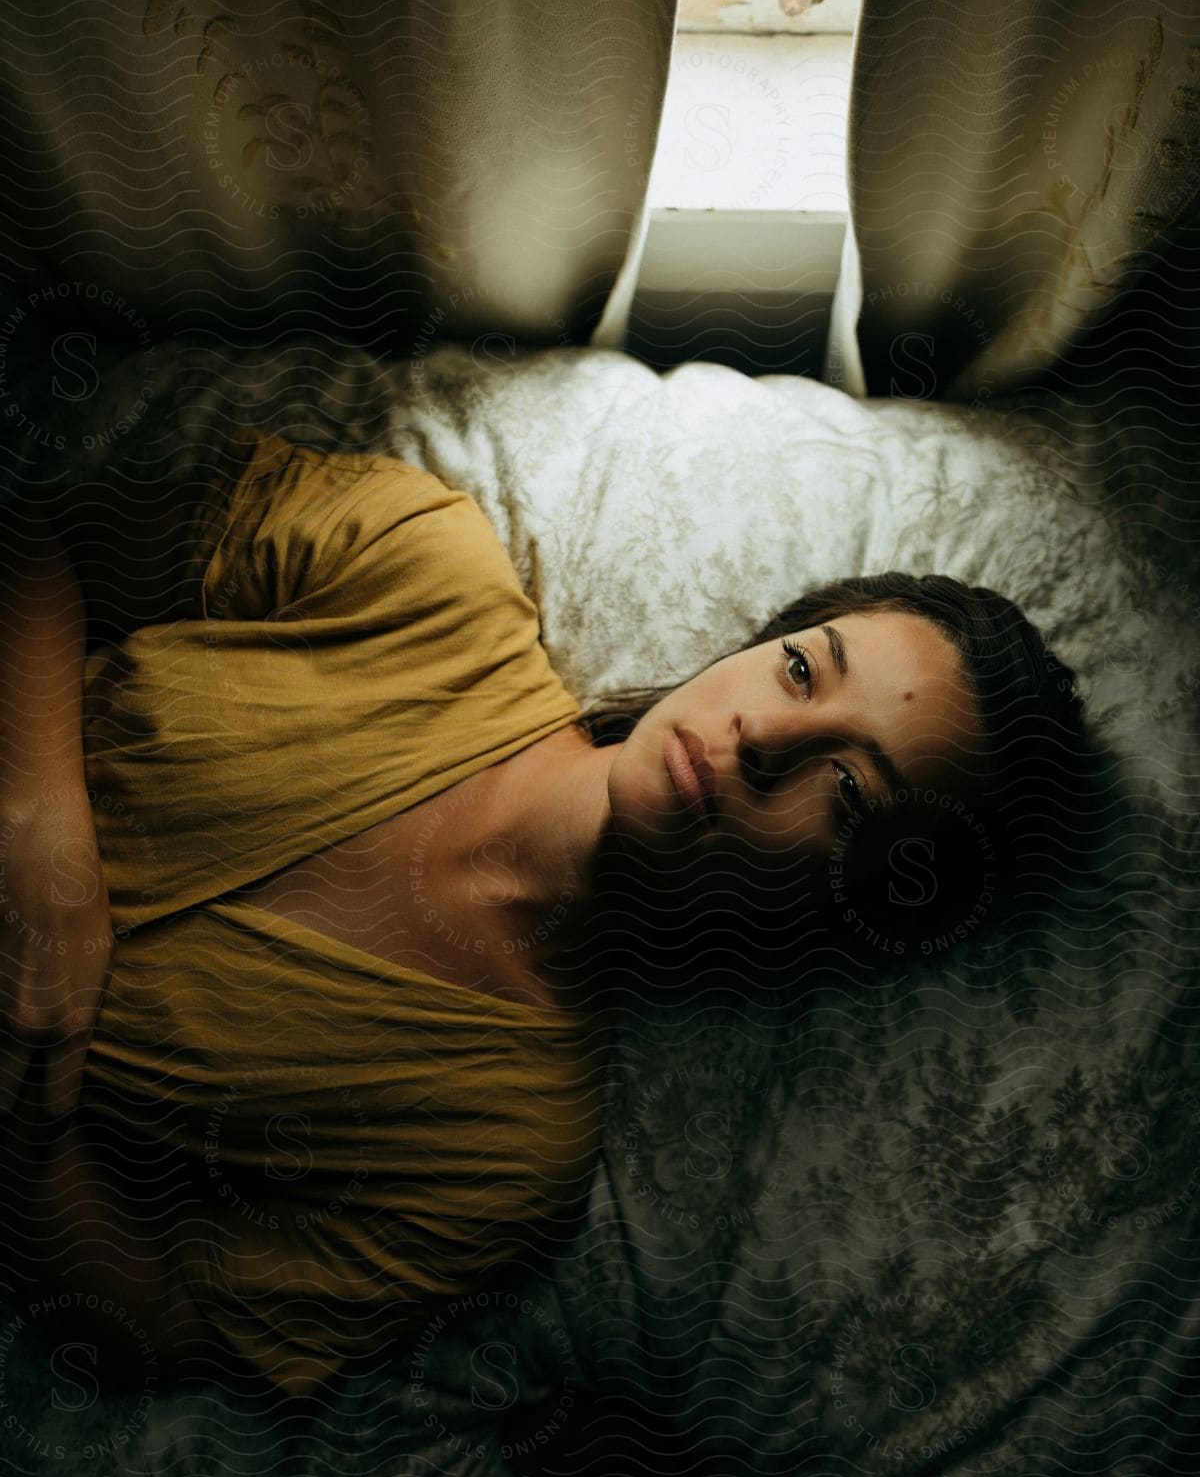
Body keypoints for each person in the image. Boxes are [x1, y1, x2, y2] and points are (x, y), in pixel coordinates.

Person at [0, 429, 1092, 1398]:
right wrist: (42, 821)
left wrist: (32, 1117)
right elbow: (36, 531)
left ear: (856, 906)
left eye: (851, 794)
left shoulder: (502, 1152)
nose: (767, 736)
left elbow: (165, 1331)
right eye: (803, 668)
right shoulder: (417, 569)